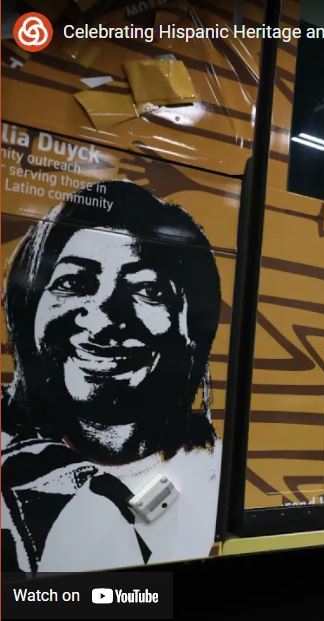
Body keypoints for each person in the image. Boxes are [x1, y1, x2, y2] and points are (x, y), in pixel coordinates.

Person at [1, 181, 222, 575]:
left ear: (191, 327)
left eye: (148, 290)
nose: (103, 319)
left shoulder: (214, 467)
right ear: (29, 308)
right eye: (73, 283)